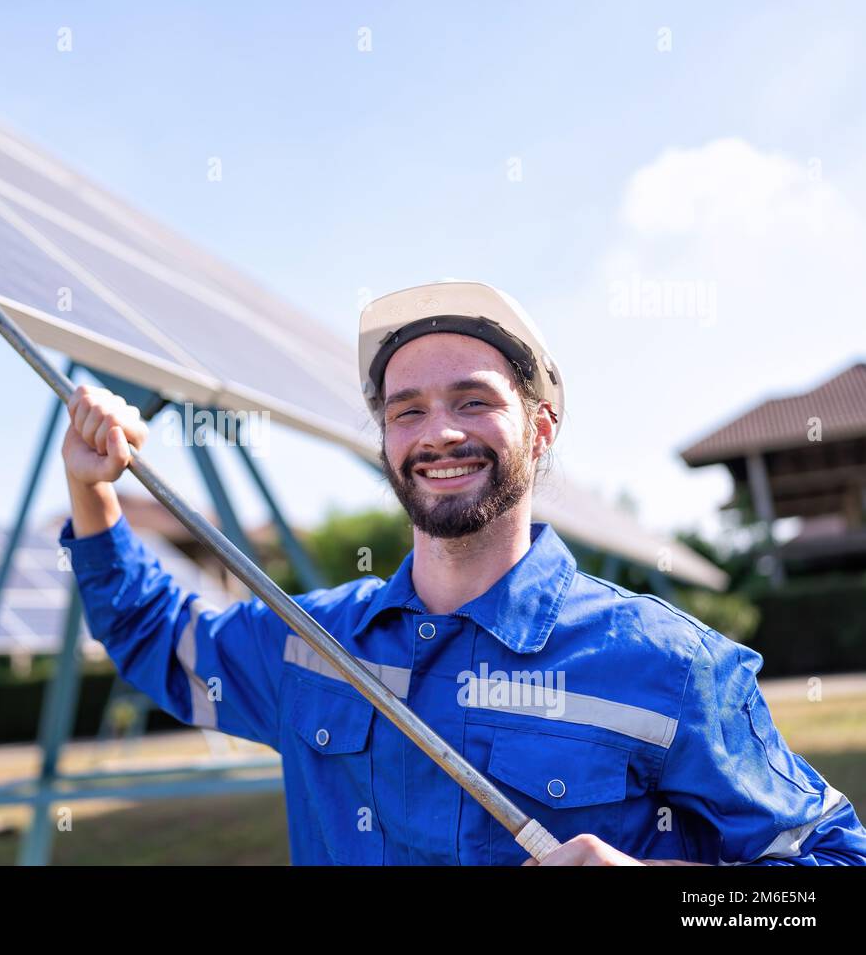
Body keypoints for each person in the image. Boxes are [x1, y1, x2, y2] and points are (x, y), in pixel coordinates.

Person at [58, 279, 866, 865]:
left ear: (540, 431)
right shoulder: (310, 643)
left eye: (473, 401)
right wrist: (91, 491)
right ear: (387, 444)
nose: (437, 432)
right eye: (407, 410)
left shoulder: (670, 666)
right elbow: (153, 635)